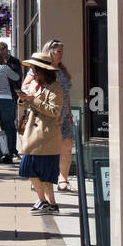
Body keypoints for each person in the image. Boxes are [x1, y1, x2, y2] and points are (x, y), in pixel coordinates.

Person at [17, 51, 64, 216]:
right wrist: (23, 99)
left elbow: (54, 111)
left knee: (45, 174)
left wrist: (32, 100)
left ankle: (49, 203)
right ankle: (44, 201)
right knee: (29, 169)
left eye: (34, 69)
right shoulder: (33, 84)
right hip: (32, 133)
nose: (32, 72)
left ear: (42, 70)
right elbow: (26, 104)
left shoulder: (55, 87)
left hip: (46, 135)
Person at [44, 39, 76, 192]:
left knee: (67, 146)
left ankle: (63, 179)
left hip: (64, 115)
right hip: (49, 114)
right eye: (58, 51)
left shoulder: (62, 70)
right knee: (48, 149)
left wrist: (69, 114)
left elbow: (67, 94)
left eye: (62, 51)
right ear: (50, 52)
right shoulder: (41, 69)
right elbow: (27, 86)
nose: (61, 54)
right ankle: (41, 177)